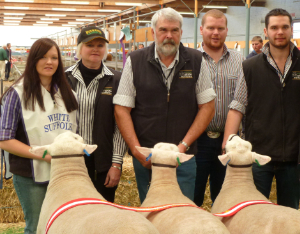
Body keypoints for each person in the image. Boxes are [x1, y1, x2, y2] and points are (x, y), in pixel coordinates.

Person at [114, 7, 216, 203]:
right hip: (147, 158)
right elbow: (121, 108)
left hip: (182, 158)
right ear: (153, 32)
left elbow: (208, 107)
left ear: (181, 32)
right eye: (163, 30)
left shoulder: (195, 60)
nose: (169, 36)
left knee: (182, 212)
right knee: (152, 212)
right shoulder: (135, 61)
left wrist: (183, 147)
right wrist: (136, 151)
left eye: (174, 30)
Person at [222, 8, 300, 209]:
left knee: (290, 213)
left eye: (284, 27)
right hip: (256, 156)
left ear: (292, 30)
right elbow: (237, 107)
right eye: (274, 27)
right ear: (266, 31)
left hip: (293, 157)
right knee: (253, 211)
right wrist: (227, 145)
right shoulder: (250, 66)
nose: (279, 32)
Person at [0, 38, 78, 234]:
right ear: (33, 60)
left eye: (54, 57)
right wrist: (44, 155)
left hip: (65, 173)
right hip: (29, 175)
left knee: (64, 226)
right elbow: (4, 139)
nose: (49, 62)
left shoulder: (69, 94)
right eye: (43, 57)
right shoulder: (16, 94)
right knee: (36, 227)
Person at [65, 26, 127, 203]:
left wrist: (116, 164)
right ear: (79, 48)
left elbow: (120, 126)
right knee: (74, 208)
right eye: (89, 45)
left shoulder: (117, 79)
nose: (95, 49)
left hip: (103, 161)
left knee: (103, 211)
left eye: (100, 45)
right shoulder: (63, 78)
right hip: (71, 158)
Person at [194, 9, 244, 207]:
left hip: (229, 140)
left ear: (226, 30)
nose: (216, 32)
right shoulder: (191, 59)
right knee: (193, 194)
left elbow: (244, 98)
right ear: (201, 29)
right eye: (211, 28)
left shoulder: (239, 60)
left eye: (220, 28)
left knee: (225, 197)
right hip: (198, 140)